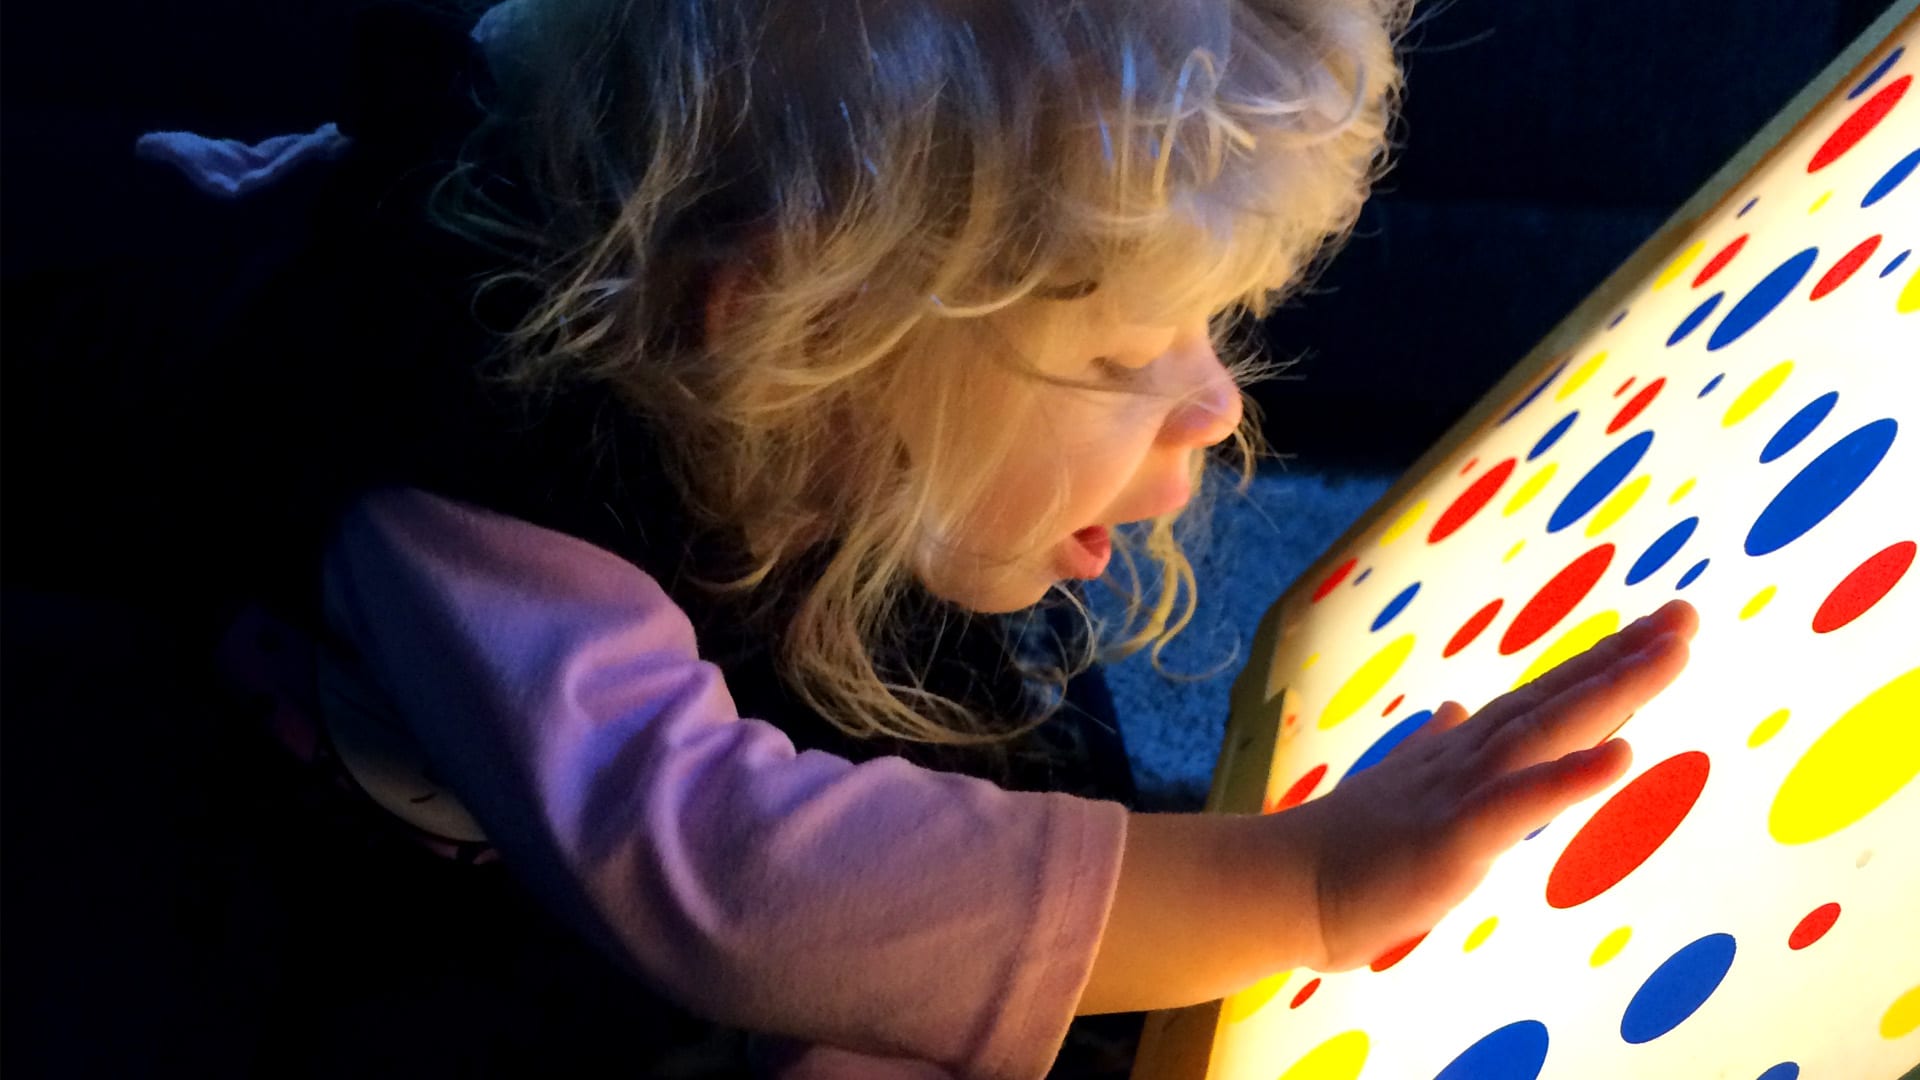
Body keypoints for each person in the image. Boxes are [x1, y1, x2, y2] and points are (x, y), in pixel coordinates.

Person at [224, 0, 1700, 1075]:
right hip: (423, 881)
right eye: (1126, 359)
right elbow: (725, 876)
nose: (1213, 402)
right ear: (791, 335)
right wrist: (1298, 885)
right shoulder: (472, 499)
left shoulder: (822, 414)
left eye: (1210, 325)